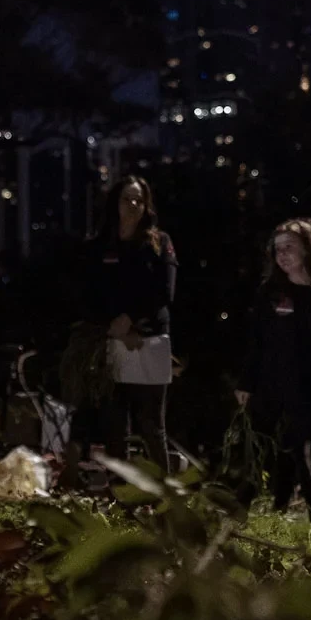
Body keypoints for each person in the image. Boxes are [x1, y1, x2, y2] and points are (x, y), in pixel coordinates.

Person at [235, 219, 311, 529]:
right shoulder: (270, 292)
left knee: (304, 451)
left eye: (289, 247)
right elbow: (255, 341)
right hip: (267, 383)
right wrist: (246, 383)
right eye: (278, 249)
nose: (283, 255)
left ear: (307, 249)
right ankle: (236, 514)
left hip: (305, 384)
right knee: (259, 449)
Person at [85, 176, 179, 474]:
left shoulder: (159, 242)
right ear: (116, 202)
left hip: (150, 340)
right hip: (113, 340)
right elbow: (91, 293)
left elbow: (165, 292)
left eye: (139, 199)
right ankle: (120, 499)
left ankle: (165, 498)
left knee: (152, 425)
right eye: (127, 198)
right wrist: (114, 325)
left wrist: (133, 322)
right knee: (115, 427)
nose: (134, 205)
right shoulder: (100, 244)